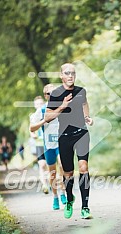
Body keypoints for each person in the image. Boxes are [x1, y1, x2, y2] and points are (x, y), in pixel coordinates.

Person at [45, 63, 93, 219]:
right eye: (67, 73)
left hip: (82, 133)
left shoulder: (81, 91)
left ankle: (85, 207)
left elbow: (85, 103)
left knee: (83, 167)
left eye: (72, 73)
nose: (70, 75)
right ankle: (70, 200)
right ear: (61, 76)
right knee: (68, 173)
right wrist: (62, 106)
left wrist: (87, 117)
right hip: (64, 137)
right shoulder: (56, 94)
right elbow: (47, 117)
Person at [30, 85, 66, 210]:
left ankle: (63, 191)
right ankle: (55, 196)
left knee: (63, 166)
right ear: (46, 95)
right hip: (48, 146)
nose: (53, 95)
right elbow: (32, 128)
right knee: (52, 174)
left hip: (61, 144)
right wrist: (43, 122)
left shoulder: (63, 106)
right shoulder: (42, 110)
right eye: (50, 93)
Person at [30, 96, 49, 194]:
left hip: (50, 143)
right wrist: (33, 135)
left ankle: (53, 182)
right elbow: (31, 130)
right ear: (34, 105)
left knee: (50, 165)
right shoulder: (33, 116)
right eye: (37, 104)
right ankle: (44, 185)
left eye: (41, 104)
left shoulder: (48, 114)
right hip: (39, 143)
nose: (39, 106)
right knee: (42, 165)